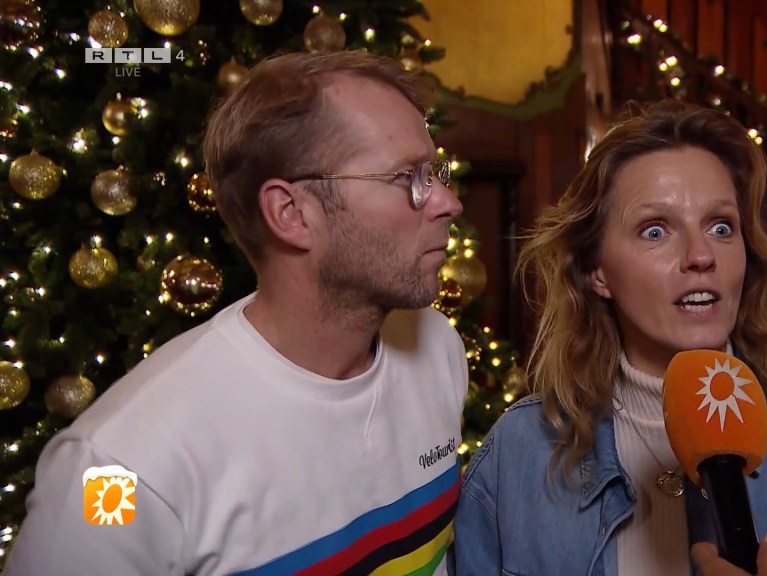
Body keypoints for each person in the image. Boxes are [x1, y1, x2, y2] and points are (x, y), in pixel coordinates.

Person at [5, 50, 467, 575]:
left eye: (435, 172)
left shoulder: (436, 349)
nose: (447, 202)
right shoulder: (119, 468)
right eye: (406, 177)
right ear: (290, 213)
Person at [449, 101, 767, 575]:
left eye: (721, 226)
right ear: (597, 271)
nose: (702, 255)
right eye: (655, 231)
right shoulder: (520, 452)